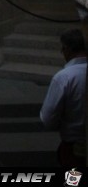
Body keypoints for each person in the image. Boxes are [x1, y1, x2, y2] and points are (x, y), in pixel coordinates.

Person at [40, 28, 86, 168]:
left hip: (74, 146)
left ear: (66, 49)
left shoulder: (64, 77)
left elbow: (47, 118)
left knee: (73, 181)